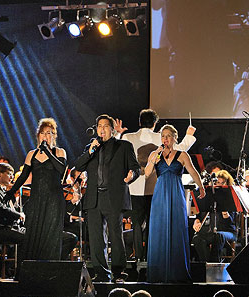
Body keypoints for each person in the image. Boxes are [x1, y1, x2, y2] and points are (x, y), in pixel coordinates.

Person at [117, 108, 197, 272]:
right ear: (155, 124)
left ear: (140, 122)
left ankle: (139, 257)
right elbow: (180, 150)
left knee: (137, 224)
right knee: (154, 224)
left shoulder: (128, 137)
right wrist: (189, 134)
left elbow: (118, 150)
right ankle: (151, 256)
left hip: (134, 187)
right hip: (157, 188)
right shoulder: (159, 137)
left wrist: (119, 134)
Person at [74, 114, 142, 282]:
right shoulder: (92, 148)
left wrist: (131, 175)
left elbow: (135, 168)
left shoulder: (124, 146)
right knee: (96, 238)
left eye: (105, 126)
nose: (102, 129)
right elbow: (78, 166)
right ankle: (101, 272)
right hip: (94, 198)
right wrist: (90, 151)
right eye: (99, 126)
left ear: (112, 129)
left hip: (114, 197)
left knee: (115, 235)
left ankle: (119, 272)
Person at [7, 118, 76, 263]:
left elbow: (62, 170)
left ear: (55, 136)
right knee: (33, 233)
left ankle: (49, 268)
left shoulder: (60, 152)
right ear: (38, 135)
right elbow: (23, 177)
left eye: (50, 133)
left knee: (51, 235)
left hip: (54, 201)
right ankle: (30, 269)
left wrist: (48, 152)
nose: (46, 136)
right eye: (43, 133)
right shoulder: (31, 154)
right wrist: (10, 192)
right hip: (36, 199)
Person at [146, 124, 205, 282]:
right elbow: (146, 174)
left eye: (168, 136)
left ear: (174, 138)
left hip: (177, 193)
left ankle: (177, 272)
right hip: (160, 194)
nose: (165, 139)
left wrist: (201, 187)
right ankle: (158, 273)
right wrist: (155, 157)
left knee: (176, 227)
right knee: (159, 228)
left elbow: (193, 171)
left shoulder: (182, 154)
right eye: (163, 136)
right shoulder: (155, 153)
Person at [192, 170, 236, 262]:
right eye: (217, 182)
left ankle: (214, 263)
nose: (219, 185)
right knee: (197, 238)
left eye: (222, 183)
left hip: (228, 232)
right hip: (212, 232)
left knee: (218, 236)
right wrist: (197, 221)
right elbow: (200, 215)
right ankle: (205, 265)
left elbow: (230, 223)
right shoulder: (210, 196)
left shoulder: (230, 196)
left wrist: (224, 211)